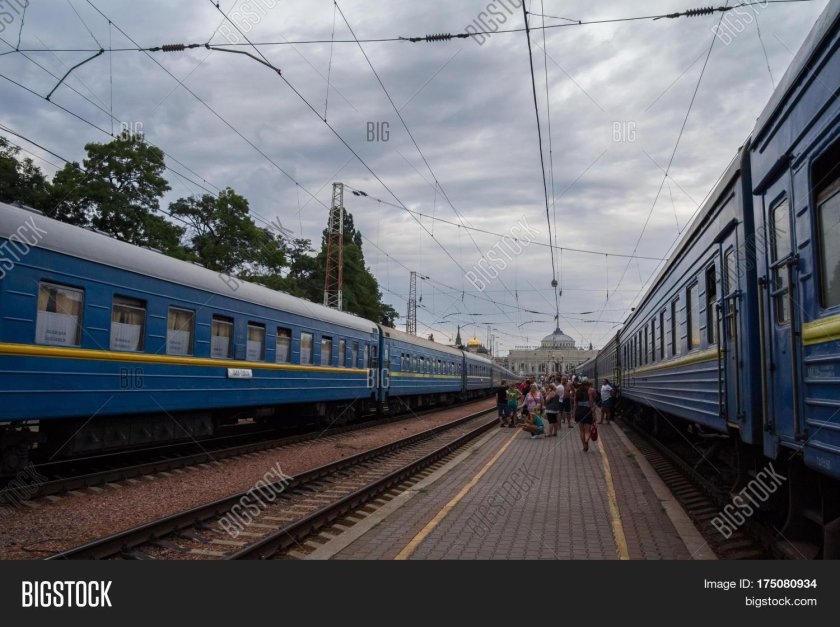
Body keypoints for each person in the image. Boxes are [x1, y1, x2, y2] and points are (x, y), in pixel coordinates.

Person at [575, 377, 597, 451]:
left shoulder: (577, 391)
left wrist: (574, 413)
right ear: (588, 385)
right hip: (587, 411)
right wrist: (594, 414)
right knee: (587, 431)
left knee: (581, 431)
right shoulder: (591, 391)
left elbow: (575, 404)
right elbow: (593, 402)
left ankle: (584, 445)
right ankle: (586, 443)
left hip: (579, 411)